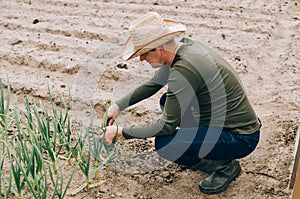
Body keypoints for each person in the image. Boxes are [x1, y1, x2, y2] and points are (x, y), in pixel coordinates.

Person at [103, 12, 261, 194]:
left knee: (166, 144)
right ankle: (207, 149)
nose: (141, 59)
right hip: (225, 120)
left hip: (240, 137)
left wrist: (122, 132)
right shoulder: (183, 49)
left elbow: (165, 127)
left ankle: (224, 166)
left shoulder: (184, 69)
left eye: (144, 53)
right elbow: (154, 84)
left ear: (160, 48)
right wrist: (118, 106)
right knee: (166, 101)